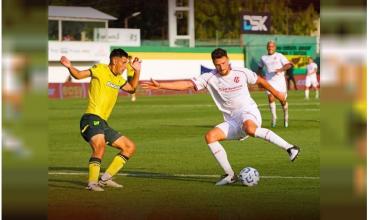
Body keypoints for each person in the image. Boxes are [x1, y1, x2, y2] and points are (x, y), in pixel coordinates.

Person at [141, 48, 300, 186]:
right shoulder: (210, 77)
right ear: (214, 64)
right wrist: (161, 85)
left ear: (228, 60)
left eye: (223, 63)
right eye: (217, 64)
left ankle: (290, 148)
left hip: (248, 112)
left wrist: (277, 93)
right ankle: (230, 175)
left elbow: (260, 81)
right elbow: (187, 84)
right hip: (232, 120)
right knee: (210, 136)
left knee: (251, 128)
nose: (221, 67)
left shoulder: (241, 72)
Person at [60, 49, 141, 191]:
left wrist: (137, 71)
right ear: (114, 60)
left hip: (102, 122)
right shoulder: (100, 69)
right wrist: (69, 66)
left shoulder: (118, 79)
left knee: (129, 147)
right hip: (90, 118)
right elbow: (78, 75)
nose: (124, 67)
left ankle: (105, 179)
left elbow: (132, 89)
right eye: (123, 63)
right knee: (100, 146)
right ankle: (92, 183)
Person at [257, 41, 292, 128]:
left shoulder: (279, 55)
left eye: (272, 46)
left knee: (282, 100)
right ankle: (274, 118)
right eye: (269, 46)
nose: (270, 48)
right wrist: (260, 78)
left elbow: (288, 65)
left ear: (275, 47)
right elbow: (259, 68)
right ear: (267, 47)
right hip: (269, 82)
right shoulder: (263, 57)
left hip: (280, 82)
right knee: (270, 97)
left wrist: (280, 69)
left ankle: (286, 116)